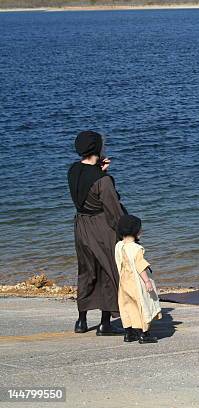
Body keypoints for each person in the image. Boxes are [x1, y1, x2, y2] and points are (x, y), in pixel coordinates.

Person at [67, 131, 125, 335]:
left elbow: (86, 180)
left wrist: (100, 170)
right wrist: (128, 232)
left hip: (81, 226)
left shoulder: (73, 170)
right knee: (108, 271)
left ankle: (81, 321)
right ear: (97, 149)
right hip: (101, 227)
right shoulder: (103, 181)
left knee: (86, 271)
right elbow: (113, 209)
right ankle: (104, 324)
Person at [115, 215, 161, 344]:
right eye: (140, 229)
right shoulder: (136, 249)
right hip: (136, 283)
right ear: (135, 231)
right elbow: (140, 266)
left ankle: (129, 333)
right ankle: (144, 334)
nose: (141, 231)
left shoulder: (119, 246)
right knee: (142, 305)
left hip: (124, 283)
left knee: (126, 306)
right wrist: (147, 281)